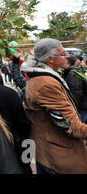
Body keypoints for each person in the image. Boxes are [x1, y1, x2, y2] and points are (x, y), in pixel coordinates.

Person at [21, 38, 87, 174]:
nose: (67, 56)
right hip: (58, 158)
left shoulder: (43, 78)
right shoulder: (46, 84)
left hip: (49, 153)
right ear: (50, 59)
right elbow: (70, 126)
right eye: (63, 54)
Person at [62, 54, 87, 123]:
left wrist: (72, 106)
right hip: (82, 106)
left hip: (81, 107)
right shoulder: (73, 71)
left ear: (67, 62)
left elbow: (76, 91)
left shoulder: (74, 73)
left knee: (80, 128)